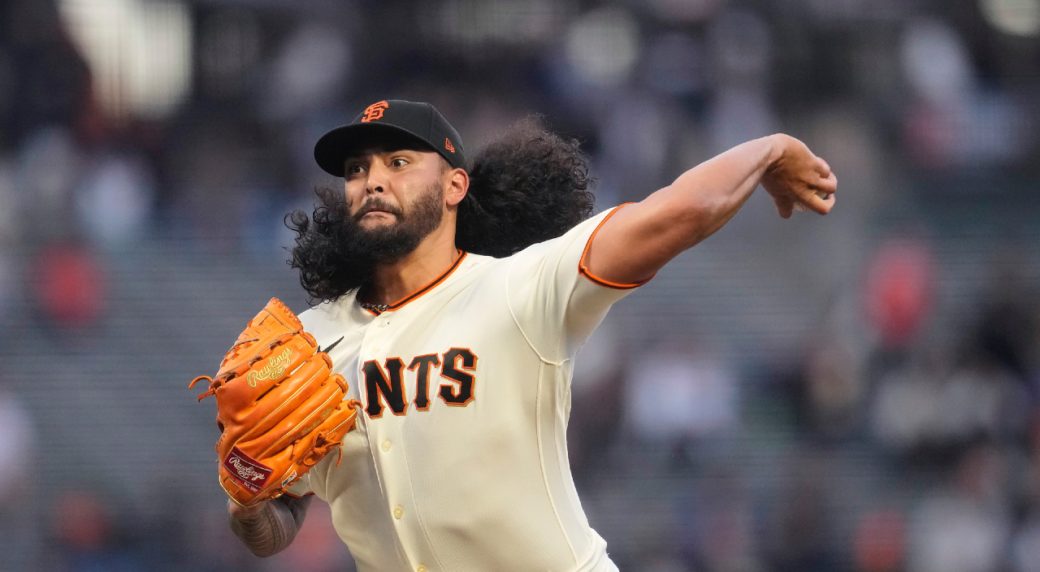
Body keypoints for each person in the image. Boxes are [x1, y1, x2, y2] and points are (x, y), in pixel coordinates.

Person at [226, 99, 836, 571]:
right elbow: (277, 526)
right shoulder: (310, 344)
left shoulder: (522, 287)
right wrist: (249, 503)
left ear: (455, 186)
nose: (372, 180)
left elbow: (677, 212)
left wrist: (770, 150)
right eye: (357, 169)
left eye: (399, 162)